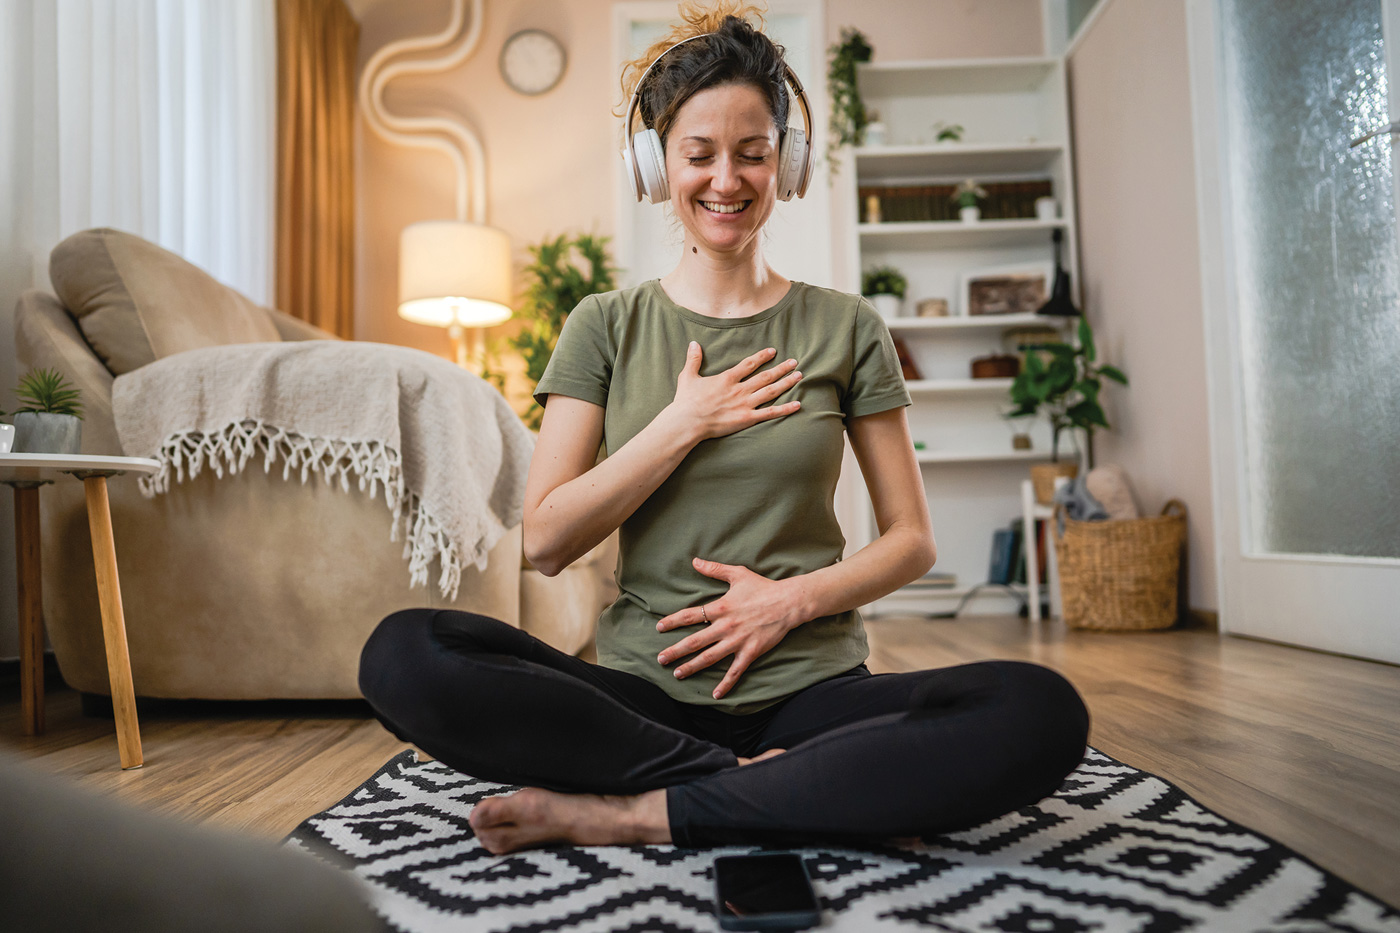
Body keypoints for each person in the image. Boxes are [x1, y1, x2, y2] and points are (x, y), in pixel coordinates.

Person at [358, 2, 1089, 855]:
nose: (726, 181)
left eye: (753, 153)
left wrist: (788, 602)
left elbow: (912, 540)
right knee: (404, 653)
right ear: (656, 165)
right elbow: (546, 540)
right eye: (698, 154)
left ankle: (643, 809)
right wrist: (682, 422)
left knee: (1042, 711)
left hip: (812, 689)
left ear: (789, 162)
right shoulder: (606, 324)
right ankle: (776, 785)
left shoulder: (845, 327)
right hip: (643, 693)